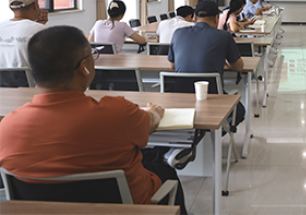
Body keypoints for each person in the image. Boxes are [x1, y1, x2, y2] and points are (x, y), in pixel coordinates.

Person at [0, 26, 187, 213]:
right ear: (85, 66)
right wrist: (154, 111)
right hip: (127, 210)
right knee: (163, 169)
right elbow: (150, 123)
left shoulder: (7, 127)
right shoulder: (118, 113)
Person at [168, 1, 245, 126]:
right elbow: (238, 67)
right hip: (211, 95)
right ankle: (213, 132)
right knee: (239, 111)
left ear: (194, 17)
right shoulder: (224, 36)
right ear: (216, 18)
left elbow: (172, 65)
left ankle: (201, 132)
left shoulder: (178, 33)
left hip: (180, 95)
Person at [0, 0, 47, 78]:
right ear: (35, 5)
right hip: (31, 86)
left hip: (2, 86)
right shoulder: (40, 30)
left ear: (11, 7)